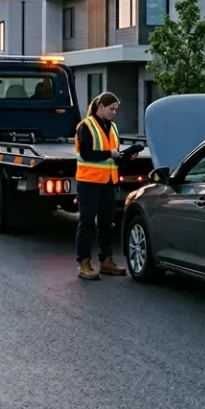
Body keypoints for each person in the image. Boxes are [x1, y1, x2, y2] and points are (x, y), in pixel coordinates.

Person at [74, 91, 132, 280]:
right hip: (89, 182)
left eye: (116, 109)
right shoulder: (86, 126)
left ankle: (106, 261)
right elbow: (86, 153)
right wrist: (110, 153)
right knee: (87, 222)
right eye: (111, 109)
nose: (114, 112)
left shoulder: (113, 127)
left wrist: (125, 156)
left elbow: (114, 155)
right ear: (100, 107)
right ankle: (84, 264)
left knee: (107, 222)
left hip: (108, 182)